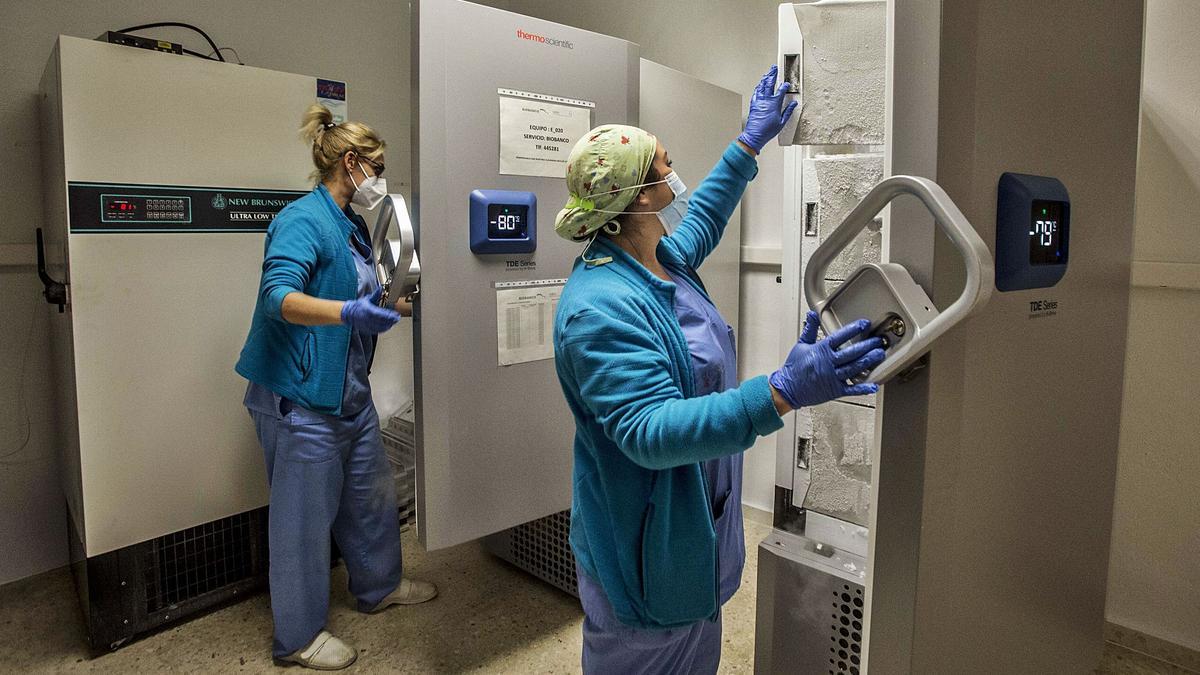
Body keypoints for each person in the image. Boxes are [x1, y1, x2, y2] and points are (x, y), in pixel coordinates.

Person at [552, 66, 886, 673]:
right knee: (650, 651)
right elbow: (650, 432)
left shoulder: (656, 256)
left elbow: (702, 216)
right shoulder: (598, 309)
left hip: (691, 526)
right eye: (662, 163)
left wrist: (749, 142)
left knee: (695, 650)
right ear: (639, 197)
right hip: (642, 546)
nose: (672, 166)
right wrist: (782, 392)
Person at [235, 105, 437, 670]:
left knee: (369, 499)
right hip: (299, 399)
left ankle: (378, 588)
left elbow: (364, 292)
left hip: (347, 393)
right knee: (302, 521)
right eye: (377, 166)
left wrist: (404, 306)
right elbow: (280, 298)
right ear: (350, 164)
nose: (380, 177)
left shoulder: (350, 225)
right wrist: (348, 313)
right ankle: (297, 637)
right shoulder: (302, 219)